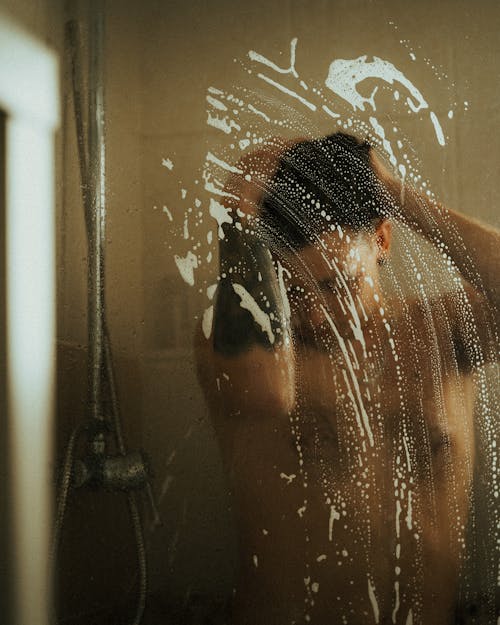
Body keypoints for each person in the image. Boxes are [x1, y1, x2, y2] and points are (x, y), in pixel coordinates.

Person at [195, 132, 499, 624]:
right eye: (292, 291)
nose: (316, 316)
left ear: (382, 239)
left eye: (337, 285)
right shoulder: (242, 348)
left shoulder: (443, 336)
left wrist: (393, 191)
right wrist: (238, 204)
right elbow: (263, 395)